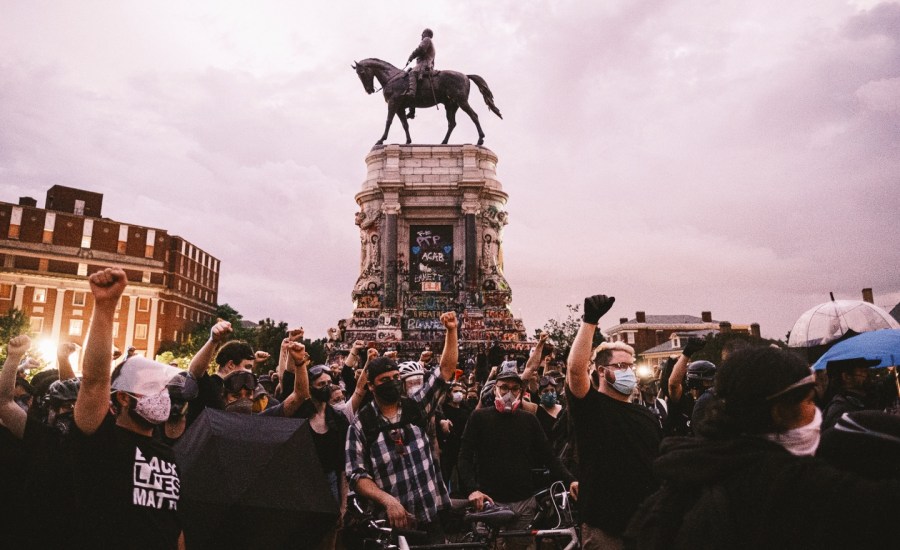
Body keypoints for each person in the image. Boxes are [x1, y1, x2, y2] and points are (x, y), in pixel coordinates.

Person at [625, 346, 900, 549]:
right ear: (779, 411)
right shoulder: (789, 484)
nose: (816, 412)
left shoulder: (685, 475)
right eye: (808, 401)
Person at [71, 267, 183, 548]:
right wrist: (106, 306)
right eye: (151, 387)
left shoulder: (167, 454)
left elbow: (173, 525)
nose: (161, 395)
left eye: (163, 388)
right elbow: (96, 380)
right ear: (122, 397)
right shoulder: (100, 437)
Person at [345, 311, 458, 538]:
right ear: (371, 387)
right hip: (391, 525)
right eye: (385, 380)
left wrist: (452, 331)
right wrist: (387, 500)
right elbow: (356, 476)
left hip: (430, 515)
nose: (393, 383)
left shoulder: (415, 408)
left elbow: (444, 372)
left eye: (396, 378)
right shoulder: (360, 426)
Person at [566, 294, 661, 550]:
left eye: (631, 365)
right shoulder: (592, 407)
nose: (628, 371)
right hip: (606, 528)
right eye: (620, 366)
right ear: (601, 372)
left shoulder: (647, 416)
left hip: (647, 526)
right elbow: (575, 371)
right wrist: (590, 321)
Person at [459, 367, 576, 550]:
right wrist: (472, 490)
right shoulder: (479, 417)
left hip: (523, 502)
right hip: (490, 502)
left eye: (514, 389)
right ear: (495, 389)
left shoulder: (529, 420)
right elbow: (464, 457)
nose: (509, 393)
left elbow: (550, 457)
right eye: (504, 387)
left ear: (521, 392)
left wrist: (571, 481)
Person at [821, 357, 881, 429]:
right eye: (863, 371)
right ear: (846, 377)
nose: (868, 376)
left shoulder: (857, 403)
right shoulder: (841, 411)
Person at [404, 27, 436, 112]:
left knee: (412, 73)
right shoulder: (431, 44)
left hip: (424, 64)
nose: (421, 35)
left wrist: (411, 56)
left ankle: (411, 93)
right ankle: (412, 111)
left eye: (423, 33)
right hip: (425, 64)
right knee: (410, 73)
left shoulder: (427, 39)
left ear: (427, 34)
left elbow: (420, 49)